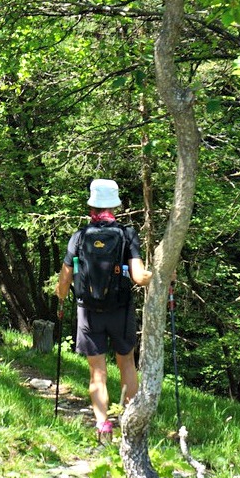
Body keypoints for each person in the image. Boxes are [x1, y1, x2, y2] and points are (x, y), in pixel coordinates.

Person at [56, 178, 152, 444]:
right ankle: (130, 427)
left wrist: (61, 297)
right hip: (120, 311)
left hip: (88, 312)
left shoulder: (79, 236)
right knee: (127, 365)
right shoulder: (127, 234)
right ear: (115, 205)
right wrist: (159, 276)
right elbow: (138, 277)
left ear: (92, 206)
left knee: (97, 372)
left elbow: (64, 281)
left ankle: (102, 427)